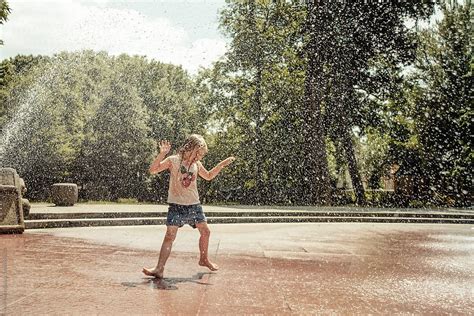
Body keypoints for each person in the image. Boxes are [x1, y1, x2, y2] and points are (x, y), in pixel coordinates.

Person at [142, 134, 235, 278]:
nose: (199, 157)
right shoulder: (173, 160)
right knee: (170, 236)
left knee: (206, 232)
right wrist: (161, 154)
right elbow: (153, 170)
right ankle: (159, 268)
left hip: (193, 205)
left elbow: (209, 176)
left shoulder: (197, 164)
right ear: (189, 148)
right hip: (176, 206)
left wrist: (221, 165)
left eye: (201, 154)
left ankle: (203, 259)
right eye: (198, 153)